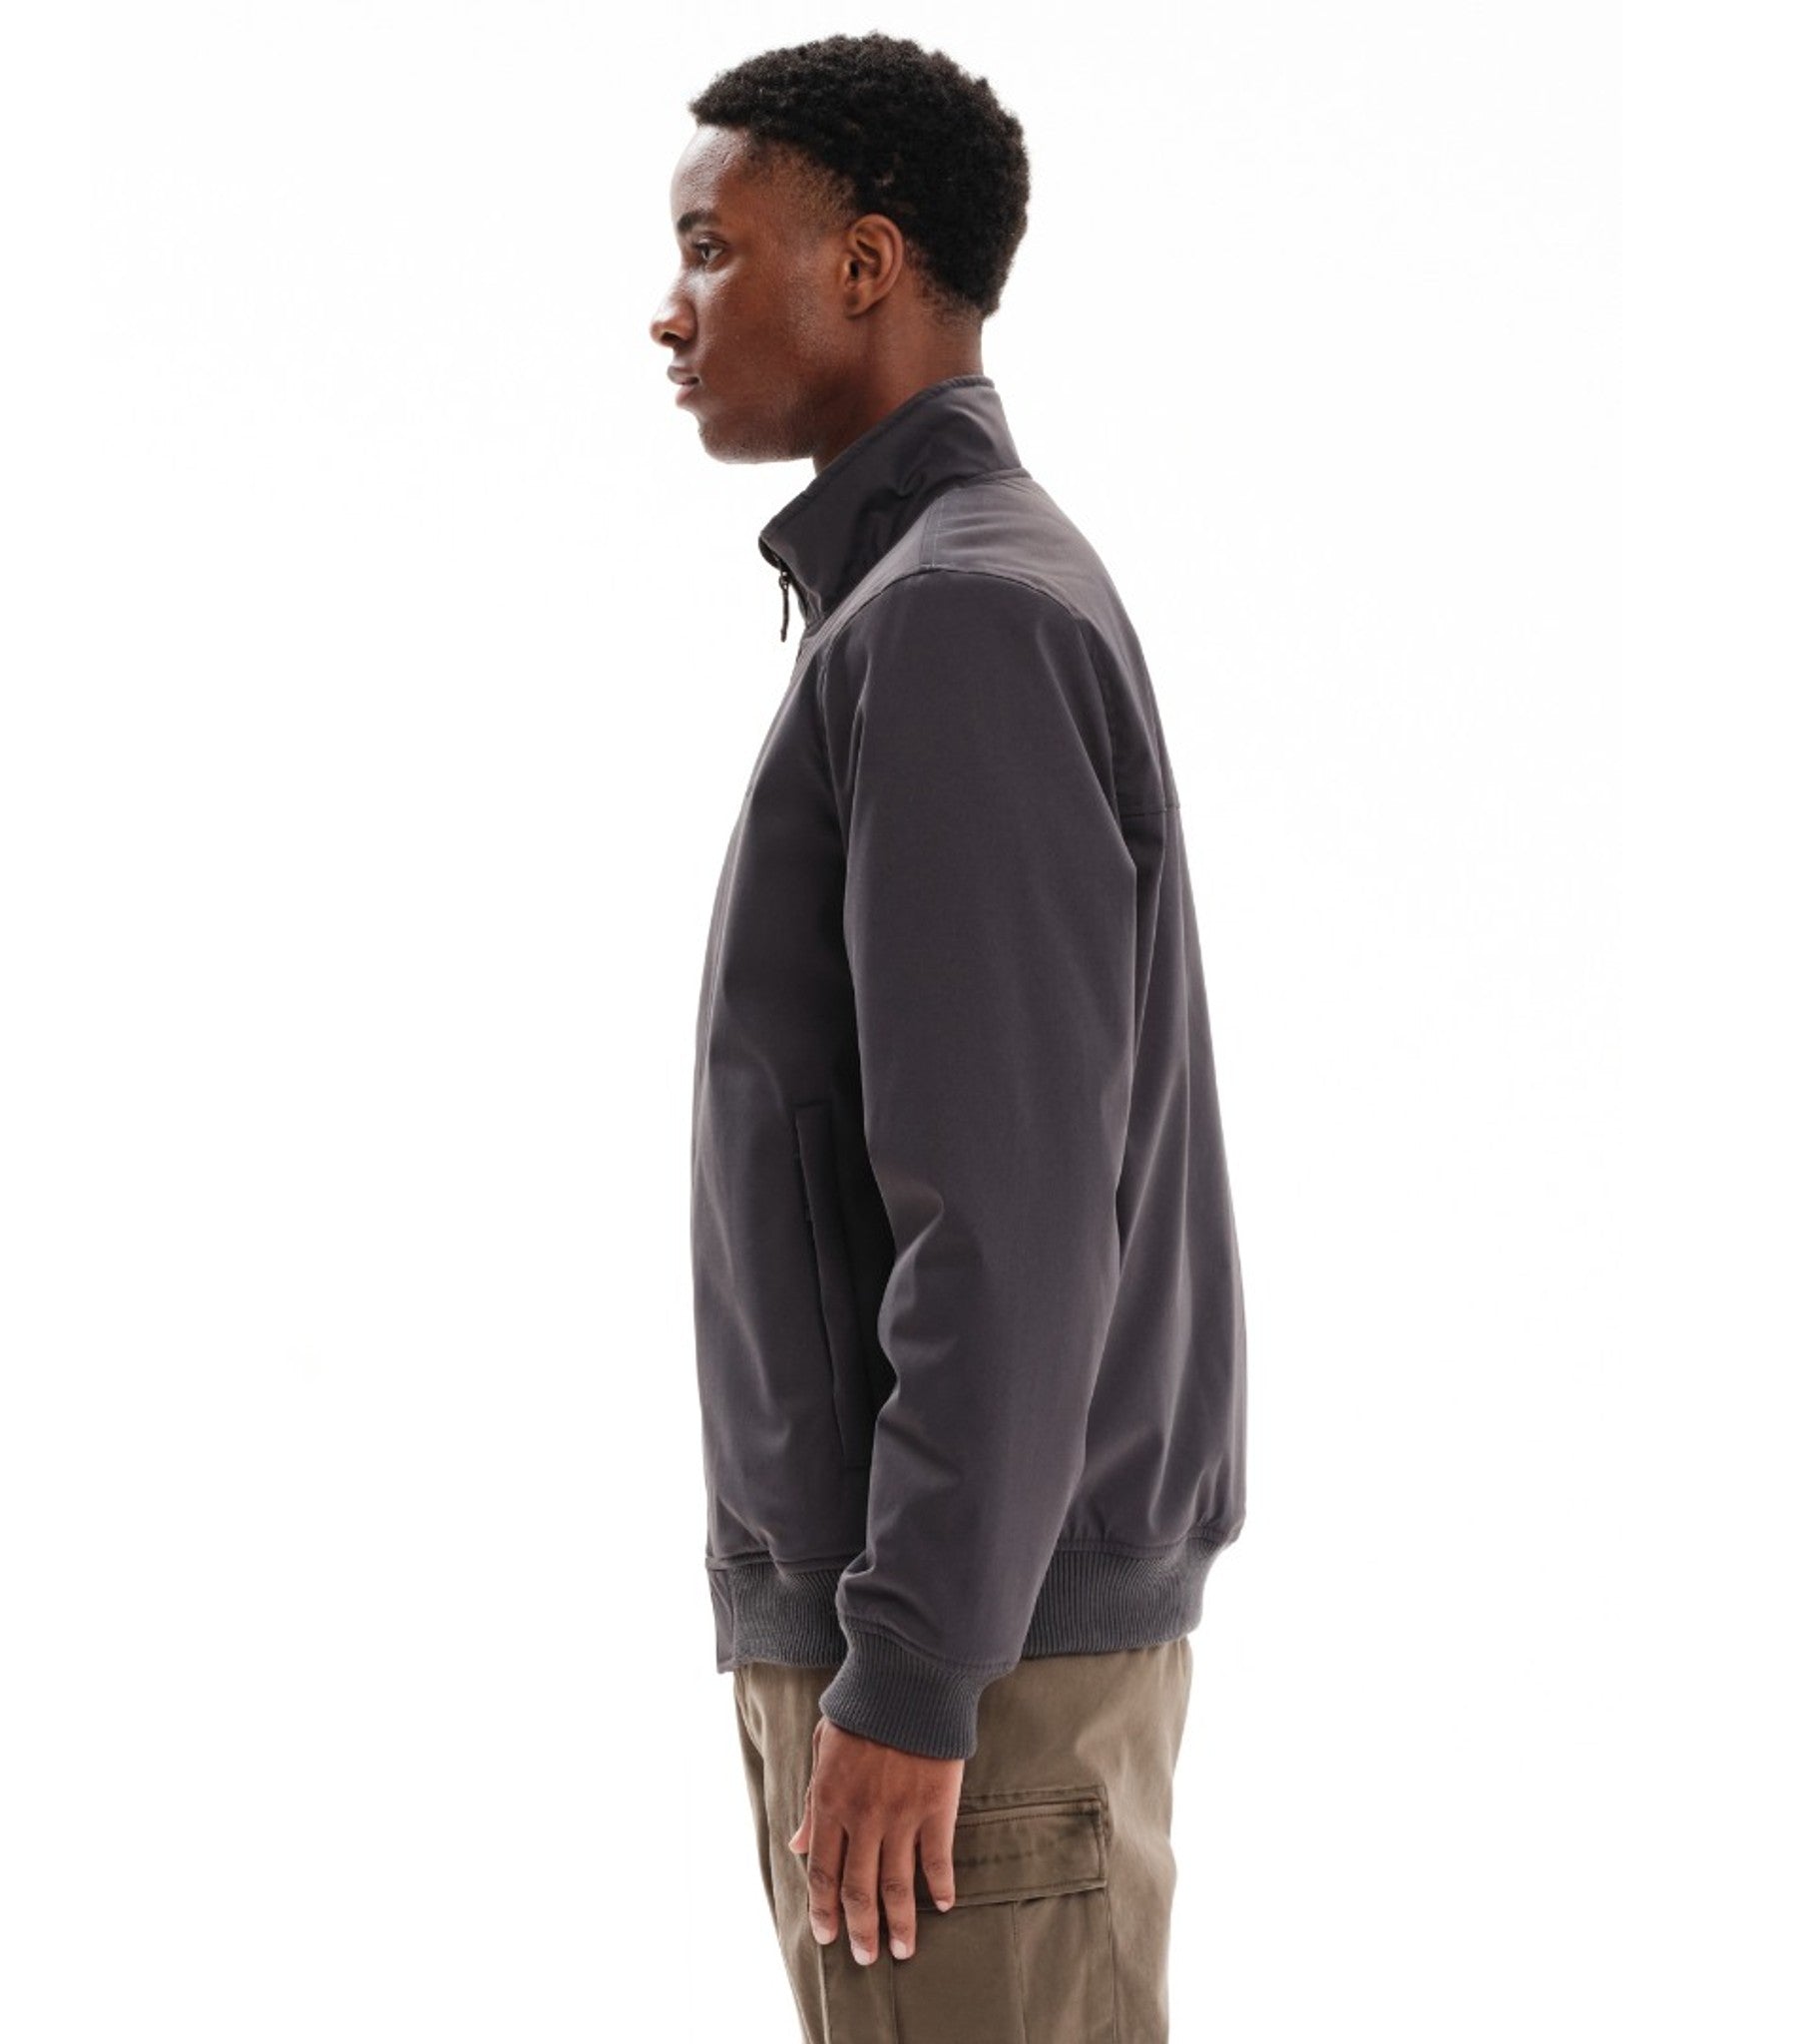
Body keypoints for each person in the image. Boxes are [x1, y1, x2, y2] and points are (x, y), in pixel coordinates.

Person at [652, 33, 1247, 2043]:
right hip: (959, 1636)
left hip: (961, 1671)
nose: (670, 308)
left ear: (866, 265)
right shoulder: (926, 603)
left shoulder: (954, 622)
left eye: (712, 248)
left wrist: (909, 1666)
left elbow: (1003, 1214)